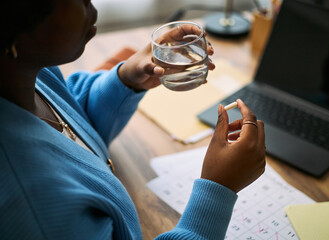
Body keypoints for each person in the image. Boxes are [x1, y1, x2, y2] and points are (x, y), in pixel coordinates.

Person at [0, 0, 266, 239]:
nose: (92, 5)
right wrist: (217, 190)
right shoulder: (33, 207)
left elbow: (68, 135)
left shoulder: (26, 75)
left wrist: (125, 80)